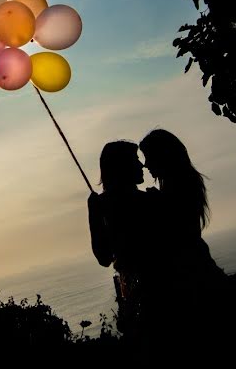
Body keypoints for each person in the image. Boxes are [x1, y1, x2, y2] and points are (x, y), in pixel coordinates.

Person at [138, 129, 225, 337]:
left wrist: (157, 204)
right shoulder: (183, 182)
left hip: (192, 277)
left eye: (149, 157)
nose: (145, 164)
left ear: (163, 156)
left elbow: (179, 230)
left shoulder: (179, 186)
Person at [88, 140, 151, 337]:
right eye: (135, 160)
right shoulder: (149, 202)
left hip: (137, 298)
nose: (141, 165)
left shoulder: (104, 206)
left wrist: (95, 216)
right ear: (121, 168)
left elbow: (103, 258)